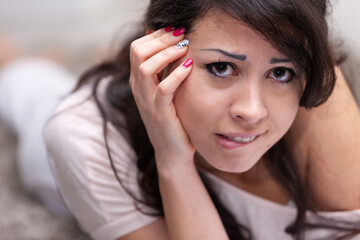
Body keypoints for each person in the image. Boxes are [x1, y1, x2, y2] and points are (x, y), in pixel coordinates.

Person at [23, 0, 360, 239]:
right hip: (66, 151)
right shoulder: (85, 136)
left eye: (281, 72)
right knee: (29, 89)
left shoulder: (313, 90)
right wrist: (172, 160)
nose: (252, 111)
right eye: (221, 67)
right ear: (161, 51)